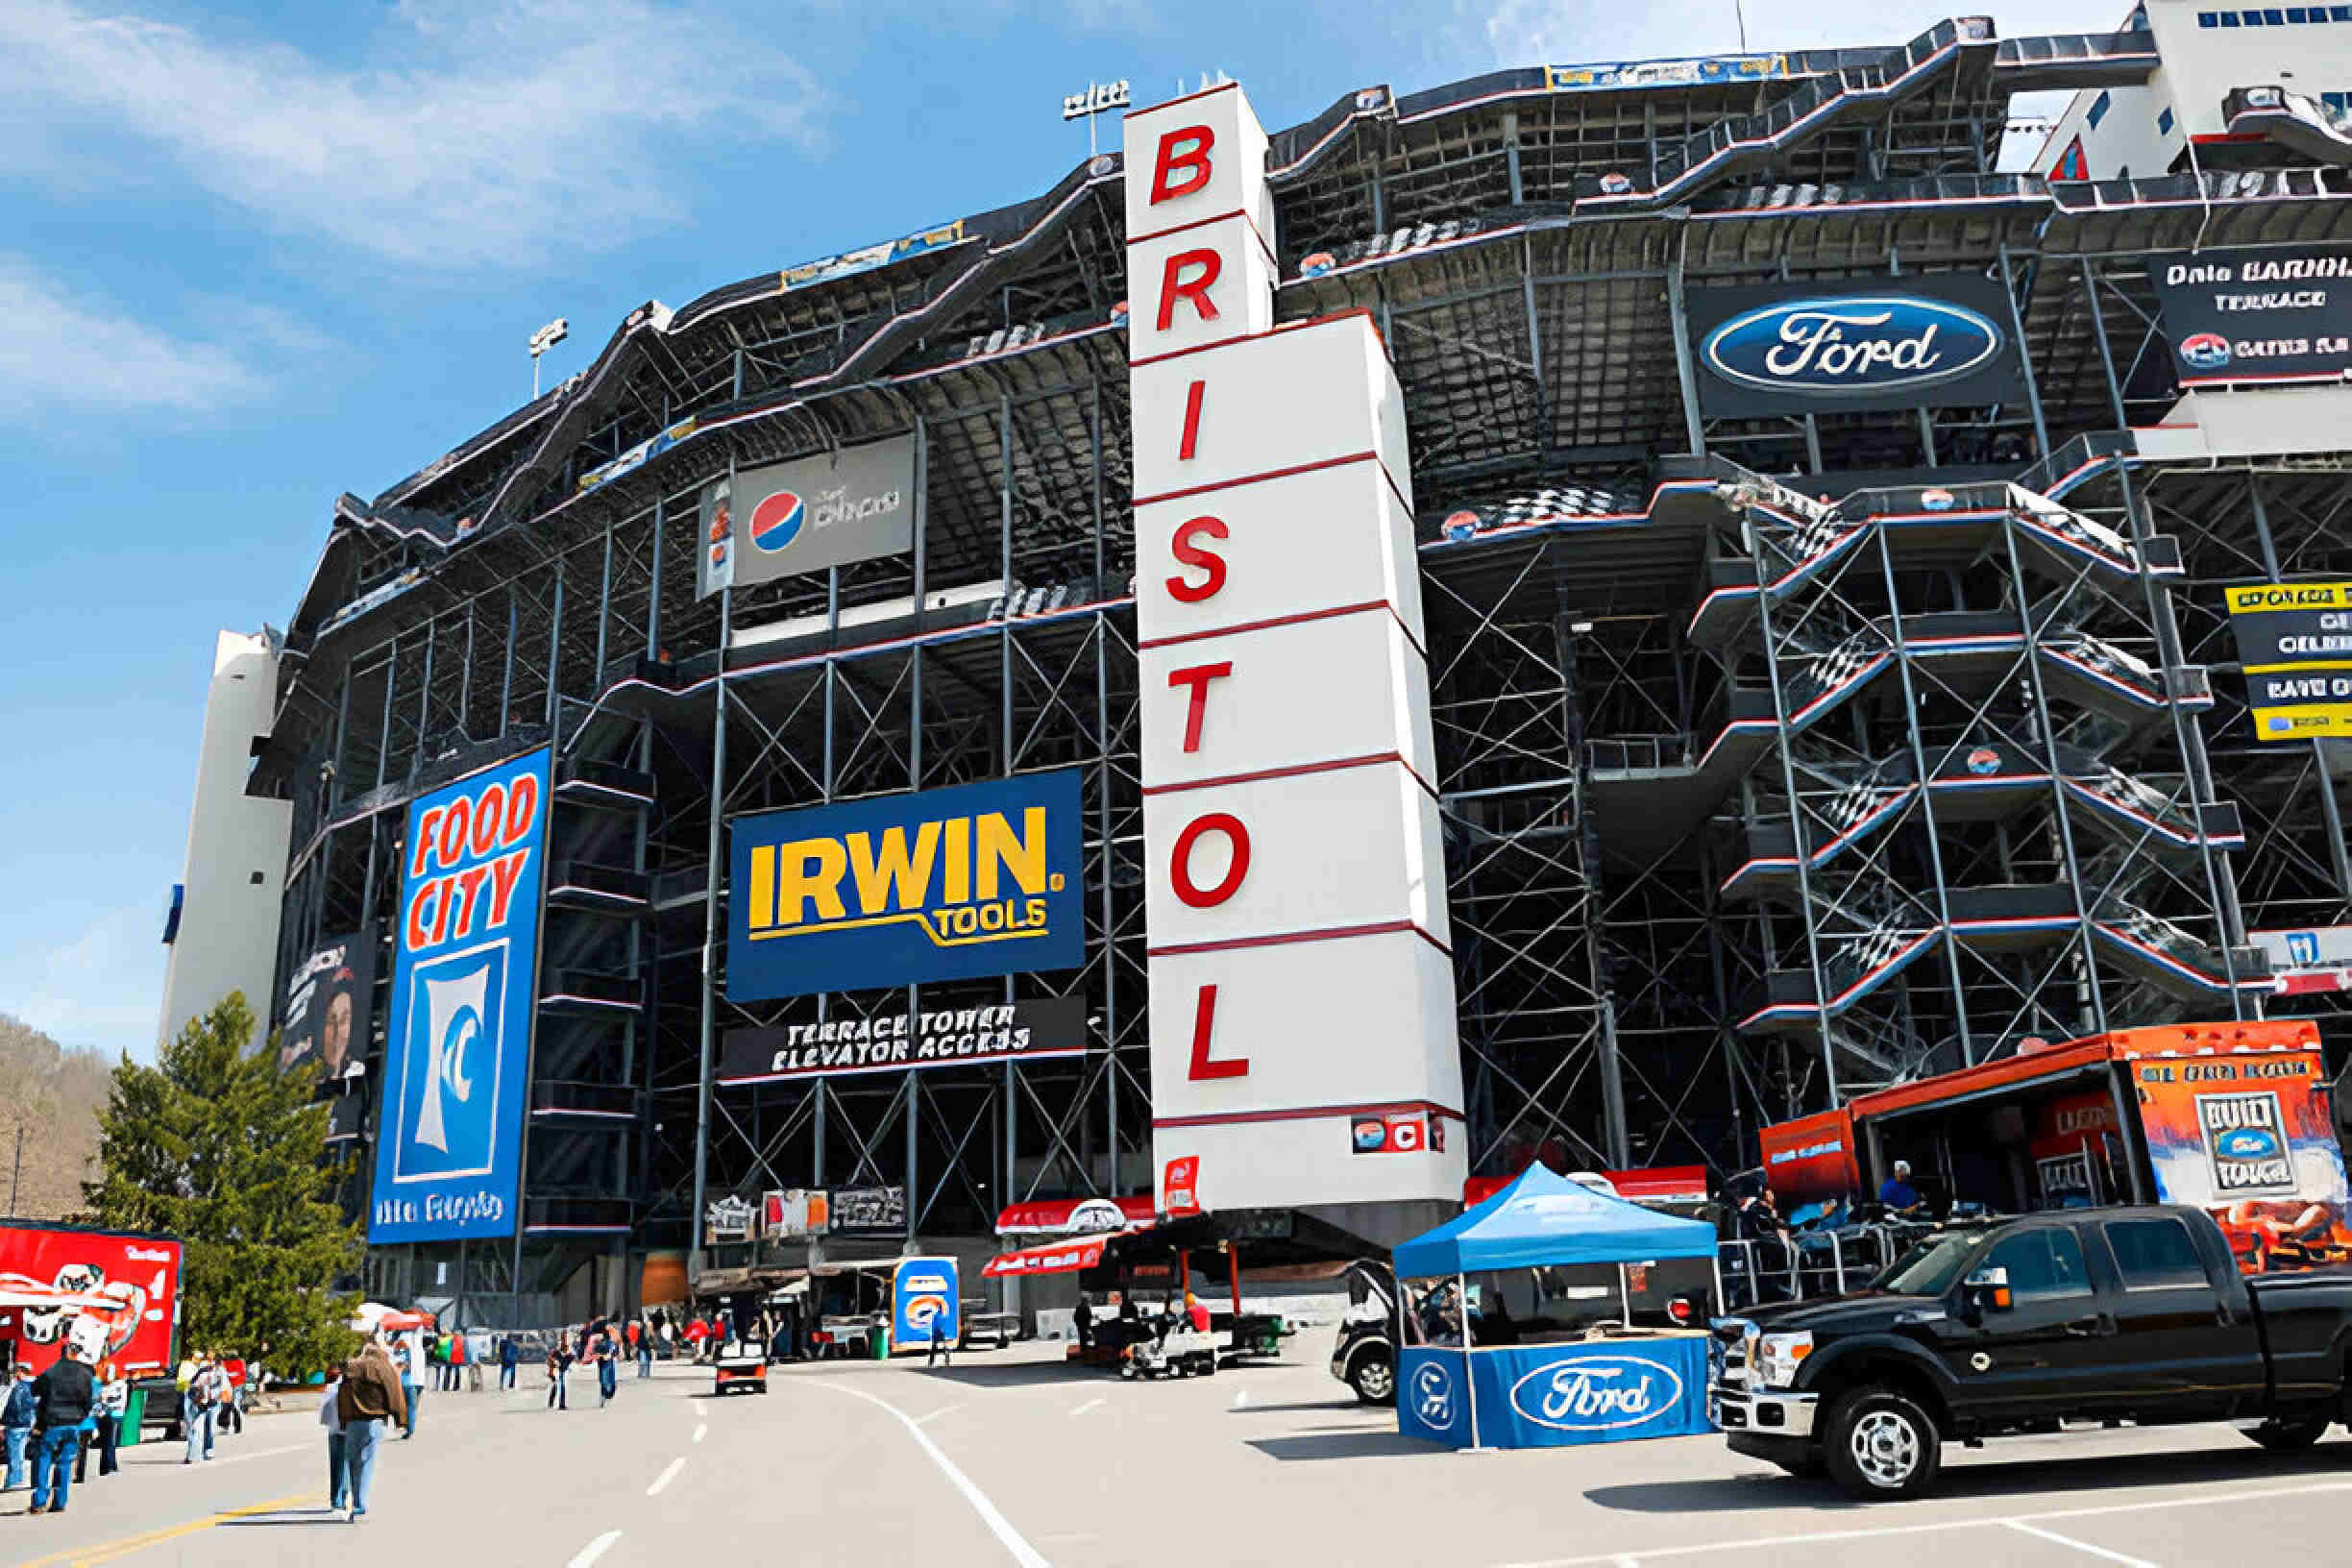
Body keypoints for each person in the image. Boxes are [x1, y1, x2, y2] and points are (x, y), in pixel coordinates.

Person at [336, 1334, 407, 1522]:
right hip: (373, 1421)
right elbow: (395, 1393)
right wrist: (400, 1419)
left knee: (352, 1463)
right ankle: (360, 1505)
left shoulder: (352, 1367)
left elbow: (342, 1395)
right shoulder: (383, 1367)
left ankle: (354, 1501)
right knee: (365, 1463)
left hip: (352, 1422)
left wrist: (343, 1420)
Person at [26, 1344, 94, 1516]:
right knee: (65, 1463)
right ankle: (60, 1502)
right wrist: (79, 1417)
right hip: (72, 1424)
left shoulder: (52, 1372)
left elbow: (33, 1389)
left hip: (52, 1423)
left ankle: (40, 1502)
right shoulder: (85, 1374)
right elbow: (88, 1402)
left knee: (44, 1460)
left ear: (62, 1353)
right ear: (77, 1354)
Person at [318, 1369, 348, 1515]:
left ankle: (335, 1501)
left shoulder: (330, 1388)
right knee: (347, 1466)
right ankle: (342, 1499)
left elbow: (323, 1416)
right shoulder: (352, 1387)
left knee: (335, 1466)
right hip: (350, 1432)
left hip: (334, 1431)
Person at [3, 1362, 36, 1490]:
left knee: (14, 1455)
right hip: (26, 1424)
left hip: (16, 1424)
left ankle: (13, 1482)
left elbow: (14, 1407)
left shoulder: (20, 1387)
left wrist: (4, 1421)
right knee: (20, 1454)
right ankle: (17, 1479)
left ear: (21, 1371)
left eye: (16, 1371)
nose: (14, 1374)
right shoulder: (34, 1386)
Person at [182, 1355, 218, 1463]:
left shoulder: (201, 1373)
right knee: (199, 1428)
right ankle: (198, 1453)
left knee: (194, 1428)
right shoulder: (208, 1374)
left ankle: (193, 1455)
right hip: (199, 1399)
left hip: (195, 1398)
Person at [91, 1361, 126, 1479]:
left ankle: (109, 1465)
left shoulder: (119, 1385)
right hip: (109, 1415)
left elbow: (114, 1401)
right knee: (109, 1442)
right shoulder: (107, 1386)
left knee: (110, 1442)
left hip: (114, 1415)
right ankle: (109, 1465)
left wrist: (105, 1400)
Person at [399, 1331, 425, 1438]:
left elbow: (401, 1366)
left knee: (407, 1406)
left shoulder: (402, 1352)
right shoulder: (420, 1352)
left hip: (406, 1382)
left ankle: (408, 1428)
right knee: (412, 1407)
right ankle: (410, 1428)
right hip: (418, 1381)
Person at [545, 1340, 571, 1411]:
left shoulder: (567, 1355)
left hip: (560, 1372)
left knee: (558, 1387)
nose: (566, 1350)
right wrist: (554, 1364)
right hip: (555, 1373)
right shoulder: (555, 1353)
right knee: (558, 1387)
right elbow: (550, 1361)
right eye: (565, 1348)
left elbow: (565, 1364)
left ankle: (557, 1404)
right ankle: (556, 1404)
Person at [596, 1333, 618, 1409]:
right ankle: (604, 1396)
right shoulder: (599, 1344)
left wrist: (609, 1355)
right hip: (604, 1364)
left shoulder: (608, 1343)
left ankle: (605, 1395)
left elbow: (614, 1351)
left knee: (605, 1381)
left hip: (606, 1364)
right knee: (605, 1381)